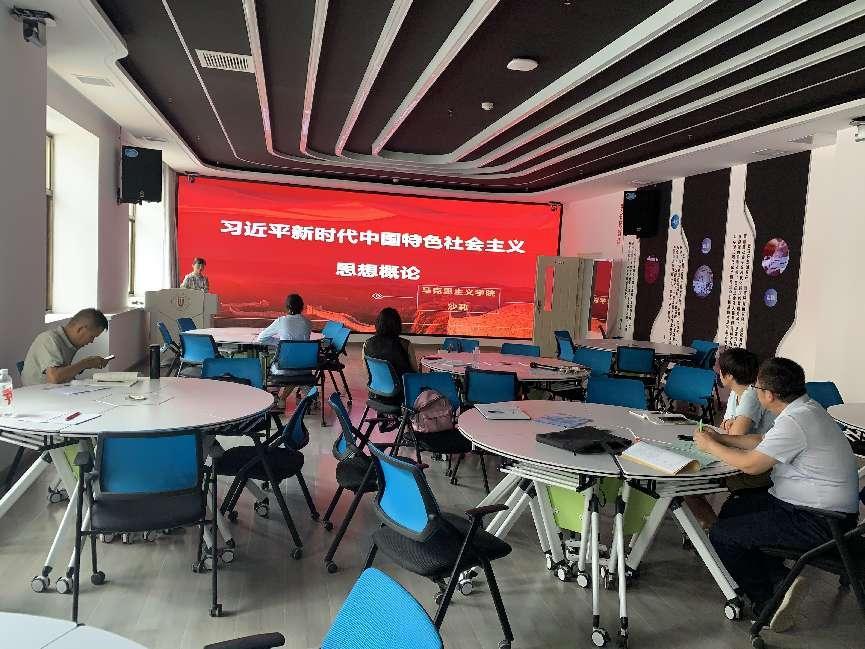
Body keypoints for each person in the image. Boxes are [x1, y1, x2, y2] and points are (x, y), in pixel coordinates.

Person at [695, 357, 859, 631]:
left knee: (723, 534)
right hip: (809, 508)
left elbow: (751, 465)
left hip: (820, 520)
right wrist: (720, 438)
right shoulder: (806, 409)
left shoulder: (796, 421)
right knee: (737, 508)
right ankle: (781, 579)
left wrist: (710, 447)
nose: (754, 392)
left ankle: (767, 602)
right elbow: (763, 441)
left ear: (769, 395)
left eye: (757, 388)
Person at [686, 348, 776, 528]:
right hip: (742, 455)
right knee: (689, 485)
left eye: (720, 370)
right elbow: (724, 428)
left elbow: (735, 434)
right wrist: (729, 427)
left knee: (688, 487)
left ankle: (713, 531)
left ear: (728, 376)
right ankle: (710, 530)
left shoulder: (751, 394)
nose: (718, 373)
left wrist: (729, 429)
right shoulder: (736, 392)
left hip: (759, 467)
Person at [21, 308, 110, 386]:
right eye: (92, 336)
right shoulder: (49, 339)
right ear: (80, 329)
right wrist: (86, 363)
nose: (91, 341)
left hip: (59, 390)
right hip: (38, 394)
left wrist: (89, 364)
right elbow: (54, 378)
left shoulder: (69, 344)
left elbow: (63, 371)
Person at [362, 308, 418, 416]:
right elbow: (414, 373)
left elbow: (368, 373)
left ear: (378, 324)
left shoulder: (367, 344)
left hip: (377, 393)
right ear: (397, 325)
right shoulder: (405, 345)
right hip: (402, 394)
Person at [260, 294, 312, 408]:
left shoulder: (281, 321)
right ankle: (286, 397)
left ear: (287, 307)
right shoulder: (308, 323)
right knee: (295, 369)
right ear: (302, 307)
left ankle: (275, 397)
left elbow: (261, 338)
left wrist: (279, 343)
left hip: (283, 369)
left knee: (275, 366)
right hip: (304, 369)